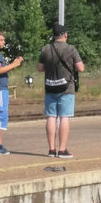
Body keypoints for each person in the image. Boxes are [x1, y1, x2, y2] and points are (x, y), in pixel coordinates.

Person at [38, 24, 84, 159]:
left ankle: (51, 149)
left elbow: (40, 68)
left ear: (53, 35)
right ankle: (62, 149)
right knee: (64, 117)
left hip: (50, 87)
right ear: (65, 35)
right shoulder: (71, 49)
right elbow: (80, 68)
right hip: (66, 88)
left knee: (51, 117)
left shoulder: (46, 49)